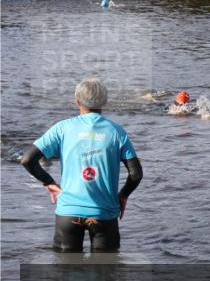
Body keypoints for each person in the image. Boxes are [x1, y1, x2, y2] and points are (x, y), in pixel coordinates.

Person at [20, 78, 143, 252]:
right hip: (104, 214)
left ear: (77, 101)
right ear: (104, 102)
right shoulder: (117, 132)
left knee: (65, 272)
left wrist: (50, 183)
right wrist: (123, 195)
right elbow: (136, 174)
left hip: (68, 213)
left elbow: (27, 160)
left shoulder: (62, 128)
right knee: (105, 273)